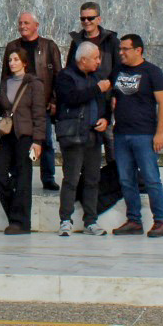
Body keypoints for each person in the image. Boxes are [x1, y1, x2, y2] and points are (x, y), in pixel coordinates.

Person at [111, 34, 163, 238]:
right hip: (121, 134)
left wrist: (159, 133)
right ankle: (134, 220)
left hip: (144, 134)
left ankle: (159, 221)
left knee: (151, 179)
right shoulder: (118, 71)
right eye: (120, 49)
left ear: (138, 50)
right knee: (126, 179)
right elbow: (111, 97)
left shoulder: (153, 72)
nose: (121, 53)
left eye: (125, 49)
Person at [66, 3, 122, 212]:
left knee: (110, 141)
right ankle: (84, 187)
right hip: (83, 100)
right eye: (83, 18)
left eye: (90, 18)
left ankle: (115, 181)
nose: (86, 22)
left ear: (99, 19)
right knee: (84, 146)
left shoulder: (111, 41)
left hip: (105, 99)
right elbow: (70, 69)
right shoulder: (77, 41)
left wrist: (113, 93)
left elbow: (117, 69)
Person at [53, 43, 111, 236]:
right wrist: (97, 89)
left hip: (93, 135)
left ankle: (91, 220)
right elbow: (71, 98)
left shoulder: (97, 78)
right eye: (95, 58)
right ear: (83, 60)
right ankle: (65, 220)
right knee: (71, 179)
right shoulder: (65, 76)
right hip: (74, 135)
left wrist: (105, 119)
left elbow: (104, 104)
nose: (98, 61)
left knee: (93, 179)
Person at [4, 12, 63, 191]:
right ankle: (15, 175)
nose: (23, 26)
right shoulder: (12, 46)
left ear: (36, 25)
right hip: (18, 104)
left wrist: (54, 100)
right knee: (16, 139)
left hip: (41, 102)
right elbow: (5, 75)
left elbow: (58, 76)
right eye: (20, 23)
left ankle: (48, 177)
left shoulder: (48, 46)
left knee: (44, 140)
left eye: (27, 23)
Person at [0, 46, 44, 234]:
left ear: (24, 62)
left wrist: (38, 141)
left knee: (23, 178)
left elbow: (39, 114)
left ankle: (21, 223)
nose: (12, 63)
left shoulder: (34, 84)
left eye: (15, 60)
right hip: (8, 134)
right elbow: (5, 109)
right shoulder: (5, 82)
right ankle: (15, 214)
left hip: (26, 136)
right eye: (10, 60)